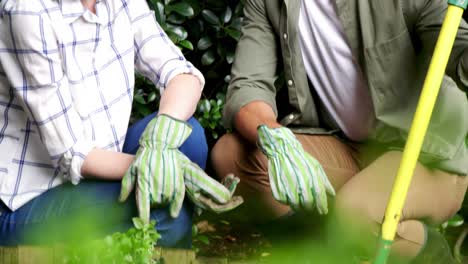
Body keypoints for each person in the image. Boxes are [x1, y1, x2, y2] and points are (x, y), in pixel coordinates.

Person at [211, 0, 468, 262]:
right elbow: (248, 86)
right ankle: (310, 253)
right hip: (348, 148)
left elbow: (458, 47)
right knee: (233, 157)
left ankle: (432, 254)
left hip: (425, 156)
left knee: (353, 215)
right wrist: (277, 141)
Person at [0, 0, 241, 248]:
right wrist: (170, 169)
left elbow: (180, 74)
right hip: (27, 201)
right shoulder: (28, 10)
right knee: (172, 215)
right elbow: (73, 155)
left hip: (100, 172)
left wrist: (160, 145)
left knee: (189, 138)